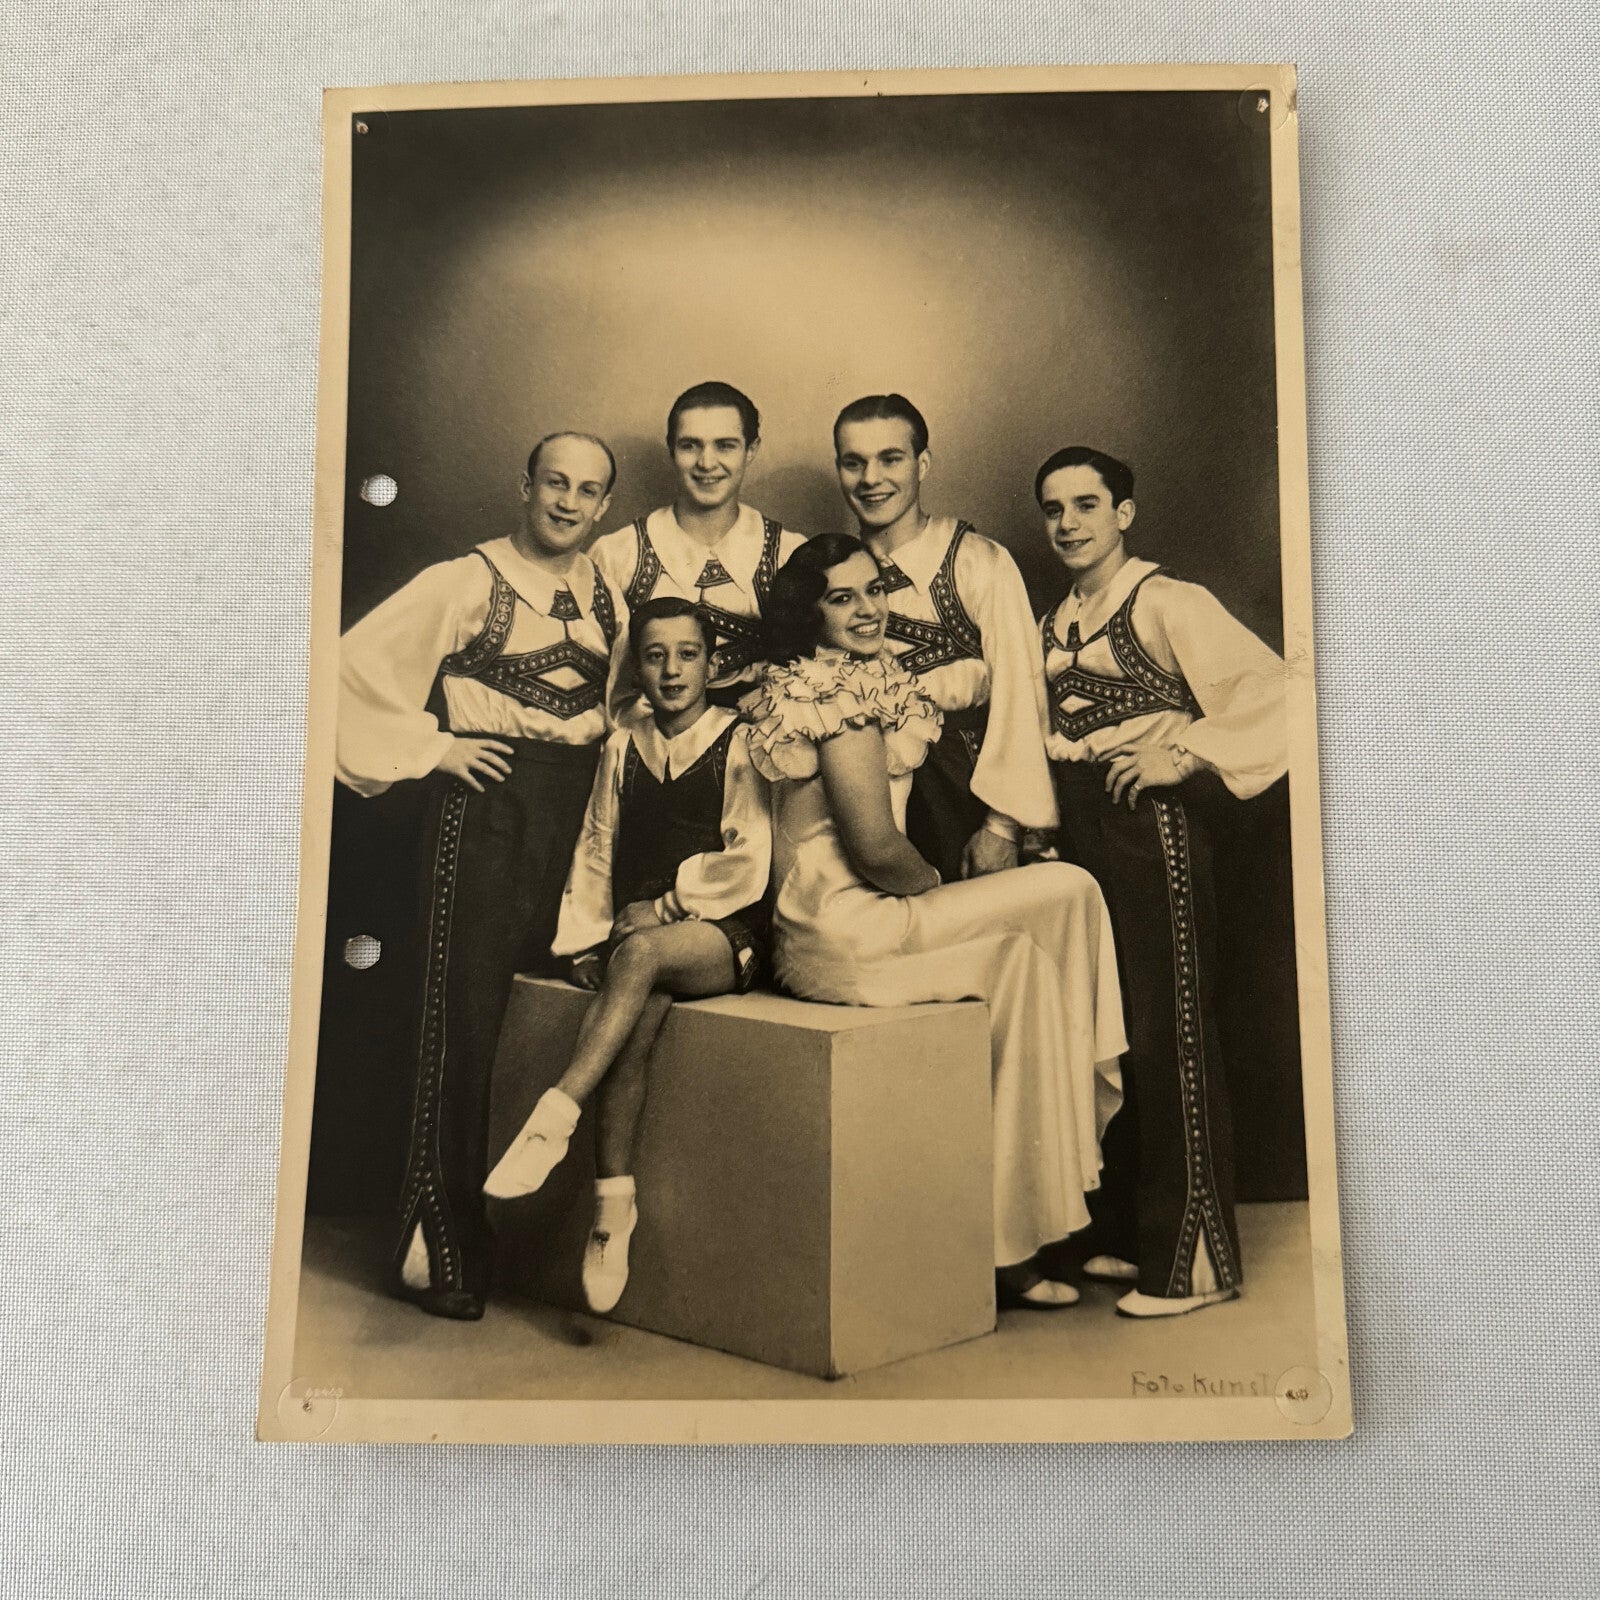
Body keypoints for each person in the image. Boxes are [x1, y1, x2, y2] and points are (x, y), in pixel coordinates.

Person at [741, 534, 1127, 1308]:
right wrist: (940, 886)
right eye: (841, 598)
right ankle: (1054, 1167)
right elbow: (876, 848)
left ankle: (1025, 1224)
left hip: (842, 924)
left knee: (1041, 932)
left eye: (874, 590)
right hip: (849, 929)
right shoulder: (831, 696)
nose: (866, 609)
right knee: (1063, 903)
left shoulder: (861, 680)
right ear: (809, 613)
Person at [336, 432, 627, 1321]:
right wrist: (434, 749)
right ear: (523, 484)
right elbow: (345, 672)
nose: (568, 503)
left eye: (587, 490)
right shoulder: (464, 580)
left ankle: (538, 1241)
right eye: (553, 484)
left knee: (563, 1008)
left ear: (605, 506)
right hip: (491, 807)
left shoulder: (607, 586)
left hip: (582, 814)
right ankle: (437, 1244)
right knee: (460, 1018)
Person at [1033, 445, 1287, 1318]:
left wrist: (1182, 751)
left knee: (1171, 1027)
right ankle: (1123, 1234)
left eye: (1087, 505)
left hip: (1153, 833)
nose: (1069, 524)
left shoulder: (1166, 599)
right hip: (1078, 839)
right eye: (1055, 509)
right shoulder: (1054, 619)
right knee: (1103, 1029)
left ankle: (1194, 1267)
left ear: (1125, 514)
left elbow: (1280, 691)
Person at [482, 597, 773, 1314]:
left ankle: (555, 1116)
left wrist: (671, 906)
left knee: (641, 957)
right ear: (635, 663)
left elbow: (751, 859)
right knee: (635, 1018)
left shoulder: (739, 739)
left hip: (720, 933)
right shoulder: (623, 741)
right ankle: (613, 1215)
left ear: (713, 662)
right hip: (634, 934)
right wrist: (585, 937)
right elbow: (596, 843)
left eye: (688, 654)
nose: (671, 670)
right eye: (654, 654)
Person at [832, 394, 1056, 885]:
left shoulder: (976, 561)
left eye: (891, 459)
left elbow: (1022, 695)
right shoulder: (830, 573)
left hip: (965, 793)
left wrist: (1002, 826)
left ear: (922, 464)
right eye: (854, 463)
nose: (871, 479)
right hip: (864, 804)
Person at [590, 381, 806, 705]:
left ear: (752, 449)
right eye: (690, 445)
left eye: (725, 446)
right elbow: (591, 679)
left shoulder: (789, 555)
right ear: (671, 449)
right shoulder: (617, 555)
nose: (706, 463)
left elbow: (812, 673)